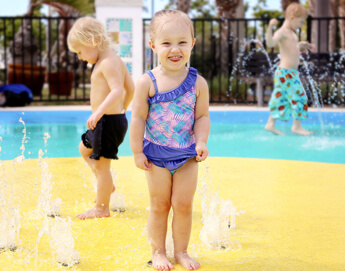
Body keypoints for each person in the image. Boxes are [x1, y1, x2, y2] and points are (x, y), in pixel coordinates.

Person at [130, 10, 210, 271]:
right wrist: (137, 151)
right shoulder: (147, 82)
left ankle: (182, 252)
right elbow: (138, 118)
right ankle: (158, 252)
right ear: (153, 45)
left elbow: (202, 117)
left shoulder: (198, 83)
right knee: (159, 204)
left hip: (187, 155)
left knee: (184, 205)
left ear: (192, 44)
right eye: (166, 43)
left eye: (182, 42)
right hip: (156, 155)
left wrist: (201, 141)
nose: (174, 49)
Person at [67, 17, 134, 219]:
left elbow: (117, 90)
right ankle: (106, 184)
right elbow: (130, 88)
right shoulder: (112, 61)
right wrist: (123, 109)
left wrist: (99, 112)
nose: (79, 57)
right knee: (83, 149)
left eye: (80, 51)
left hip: (106, 123)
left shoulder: (108, 62)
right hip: (110, 121)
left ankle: (102, 208)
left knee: (103, 166)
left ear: (92, 41)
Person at [264, 3, 313, 136]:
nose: (301, 25)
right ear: (292, 17)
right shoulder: (281, 32)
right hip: (286, 73)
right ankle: (296, 126)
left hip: (286, 73)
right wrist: (270, 27)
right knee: (300, 97)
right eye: (300, 21)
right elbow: (270, 43)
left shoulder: (292, 33)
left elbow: (291, 48)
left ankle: (270, 124)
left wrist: (300, 46)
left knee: (280, 99)